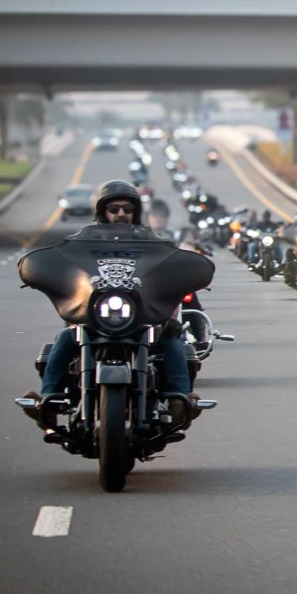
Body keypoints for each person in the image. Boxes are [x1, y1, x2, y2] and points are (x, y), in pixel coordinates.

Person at [21, 180, 198, 428]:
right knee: (64, 338)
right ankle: (48, 401)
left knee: (172, 339)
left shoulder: (152, 243)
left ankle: (181, 399)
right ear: (103, 212)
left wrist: (173, 299)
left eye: (127, 208)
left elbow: (168, 271)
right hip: (96, 317)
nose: (121, 213)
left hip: (141, 317)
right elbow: (68, 267)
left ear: (136, 211)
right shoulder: (83, 244)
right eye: (114, 209)